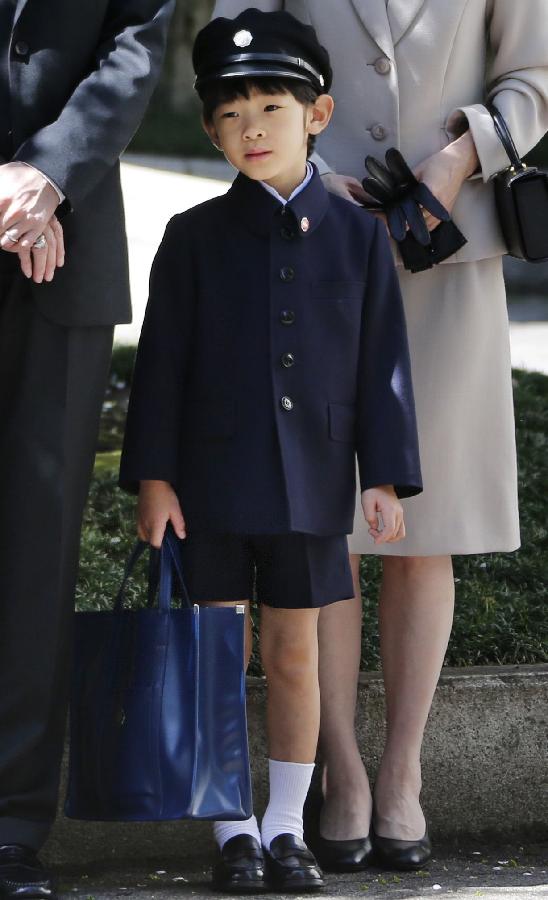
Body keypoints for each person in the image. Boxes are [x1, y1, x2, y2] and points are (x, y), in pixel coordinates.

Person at [212, 0, 548, 872]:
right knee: (325, 527)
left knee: (422, 525)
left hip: (445, 243)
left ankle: (403, 771)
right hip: (307, 242)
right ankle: (344, 773)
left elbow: (536, 76)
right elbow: (234, 58)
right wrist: (299, 171)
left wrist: (459, 153)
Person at [119, 8, 422, 891]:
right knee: (218, 656)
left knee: (295, 657)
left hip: (313, 490)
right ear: (212, 131)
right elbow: (161, 369)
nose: (252, 130)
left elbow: (383, 370)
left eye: (272, 110)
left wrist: (387, 480)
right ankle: (231, 833)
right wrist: (155, 478)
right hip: (210, 489)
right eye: (231, 115)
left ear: (316, 116)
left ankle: (286, 828)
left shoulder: (361, 238)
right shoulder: (192, 238)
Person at [0, 1, 174, 897]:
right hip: (26, 221)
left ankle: (11, 826)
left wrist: (46, 178)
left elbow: (137, 48)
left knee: (37, 547)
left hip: (62, 252)